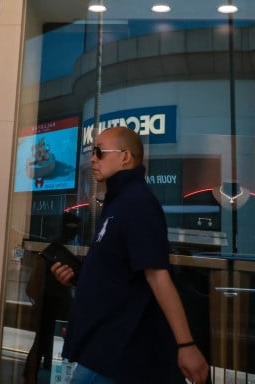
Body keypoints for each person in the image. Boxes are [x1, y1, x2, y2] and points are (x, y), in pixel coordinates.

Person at [51, 126, 209, 384]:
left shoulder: (137, 203)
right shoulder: (116, 203)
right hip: (106, 347)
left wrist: (186, 345)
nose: (92, 159)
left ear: (125, 157)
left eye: (100, 152)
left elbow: (158, 275)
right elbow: (116, 270)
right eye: (92, 152)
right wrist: (78, 276)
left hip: (116, 349)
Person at [23, 212, 80, 384]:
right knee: (43, 345)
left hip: (57, 305)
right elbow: (33, 285)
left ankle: (32, 376)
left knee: (45, 345)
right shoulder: (55, 249)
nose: (72, 232)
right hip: (49, 305)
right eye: (70, 228)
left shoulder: (61, 248)